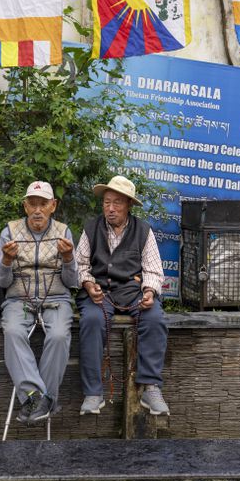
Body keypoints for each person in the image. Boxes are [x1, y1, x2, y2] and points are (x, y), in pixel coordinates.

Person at [75, 175, 169, 416]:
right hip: (99, 293)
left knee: (155, 318)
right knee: (92, 321)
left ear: (128, 204)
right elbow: (80, 265)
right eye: (106, 202)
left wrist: (148, 291)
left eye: (117, 202)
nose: (111, 208)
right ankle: (93, 393)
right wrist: (87, 284)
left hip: (132, 291)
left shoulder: (143, 231)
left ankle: (151, 387)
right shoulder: (91, 228)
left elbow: (153, 270)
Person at [0, 181, 77, 425]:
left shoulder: (64, 232)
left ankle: (39, 401)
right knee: (12, 331)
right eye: (32, 204)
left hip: (57, 298)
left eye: (43, 204)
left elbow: (72, 281)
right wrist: (7, 261)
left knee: (60, 335)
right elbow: (1, 281)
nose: (37, 210)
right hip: (19, 298)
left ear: (54, 206)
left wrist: (69, 258)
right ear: (25, 206)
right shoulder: (9, 231)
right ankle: (37, 397)